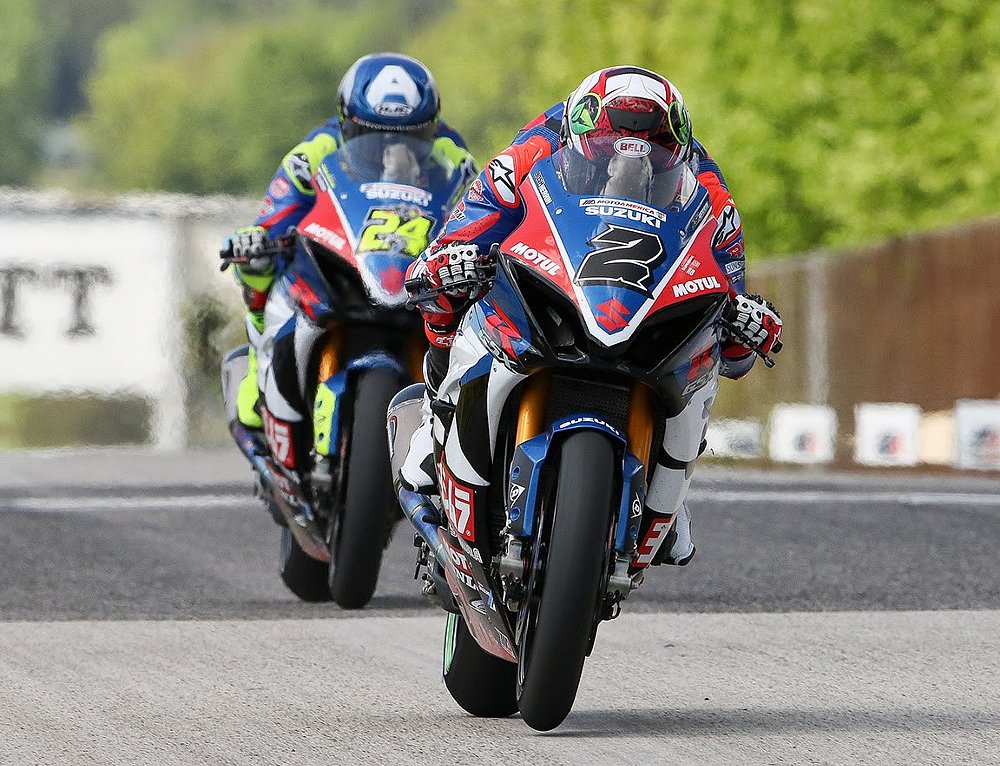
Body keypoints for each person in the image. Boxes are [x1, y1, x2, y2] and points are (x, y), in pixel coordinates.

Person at [400, 65, 783, 569]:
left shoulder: (707, 188)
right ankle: (438, 422)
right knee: (450, 301)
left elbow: (731, 314)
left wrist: (746, 323)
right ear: (581, 134)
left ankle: (669, 492)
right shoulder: (530, 152)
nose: (634, 159)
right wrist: (452, 262)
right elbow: (458, 237)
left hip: (639, 309)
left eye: (653, 147)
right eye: (612, 144)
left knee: (703, 366)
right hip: (548, 291)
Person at [225, 52, 477, 448]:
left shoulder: (453, 154)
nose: (392, 150)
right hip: (339, 259)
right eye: (374, 138)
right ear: (348, 126)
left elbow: (477, 211)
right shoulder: (315, 151)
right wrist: (259, 238)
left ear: (431, 129)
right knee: (256, 263)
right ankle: (260, 364)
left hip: (410, 269)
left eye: (413, 137)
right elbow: (275, 211)